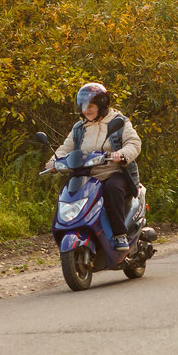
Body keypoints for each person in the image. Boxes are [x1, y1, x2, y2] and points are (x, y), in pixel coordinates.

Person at [50, 82, 141, 251]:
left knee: (113, 189)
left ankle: (120, 234)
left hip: (114, 172)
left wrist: (121, 155)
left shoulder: (118, 122)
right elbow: (66, 147)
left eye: (91, 106)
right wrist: (53, 162)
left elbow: (134, 143)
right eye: (84, 106)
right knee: (67, 192)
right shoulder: (79, 128)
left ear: (102, 105)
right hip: (86, 176)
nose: (87, 110)